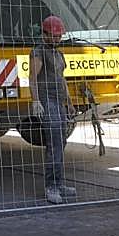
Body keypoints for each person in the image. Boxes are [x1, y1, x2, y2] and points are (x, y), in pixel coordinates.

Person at [30, 15, 77, 204]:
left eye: (59, 36)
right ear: (44, 34)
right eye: (54, 36)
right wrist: (36, 101)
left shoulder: (58, 54)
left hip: (58, 101)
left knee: (61, 142)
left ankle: (59, 183)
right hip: (47, 101)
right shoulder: (38, 52)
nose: (57, 39)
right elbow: (33, 78)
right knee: (54, 143)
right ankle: (52, 187)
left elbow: (61, 79)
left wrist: (69, 102)